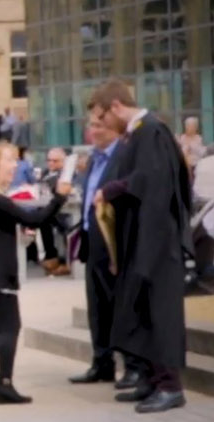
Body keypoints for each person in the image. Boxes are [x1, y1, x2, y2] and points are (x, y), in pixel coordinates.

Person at [91, 79, 192, 414]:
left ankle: (169, 385)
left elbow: (153, 180)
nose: (102, 126)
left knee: (160, 312)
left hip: (158, 241)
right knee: (142, 310)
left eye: (103, 119)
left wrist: (115, 187)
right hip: (143, 239)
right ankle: (150, 378)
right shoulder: (138, 134)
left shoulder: (152, 132)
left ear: (116, 106)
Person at [0, 142, 71, 405]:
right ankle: (4, 383)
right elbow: (36, 219)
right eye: (8, 162)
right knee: (9, 326)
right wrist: (60, 197)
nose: (14, 167)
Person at [70, 113, 146, 390]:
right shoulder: (94, 158)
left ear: (115, 128)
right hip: (93, 237)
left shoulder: (124, 155)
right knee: (97, 304)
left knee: (121, 304)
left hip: (115, 239)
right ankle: (101, 362)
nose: (93, 130)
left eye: (99, 125)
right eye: (91, 125)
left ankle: (133, 365)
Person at [36, 147, 72, 277]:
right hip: (50, 209)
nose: (51, 163)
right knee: (42, 218)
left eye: (55, 161)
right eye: (49, 160)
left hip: (67, 211)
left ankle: (57, 258)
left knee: (44, 218)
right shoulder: (45, 173)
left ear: (63, 161)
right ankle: (51, 257)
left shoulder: (67, 174)